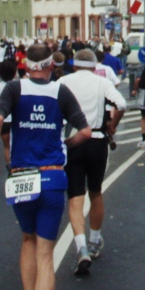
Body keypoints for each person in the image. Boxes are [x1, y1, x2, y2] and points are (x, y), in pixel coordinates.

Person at [0, 44, 91, 290]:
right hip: (52, 173)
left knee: (27, 240)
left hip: (21, 176)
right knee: (47, 253)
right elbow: (84, 132)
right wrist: (64, 145)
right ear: (50, 65)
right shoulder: (60, 91)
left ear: (26, 65)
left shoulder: (14, 89)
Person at [58, 49, 126, 274]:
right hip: (97, 140)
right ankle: (95, 239)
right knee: (95, 191)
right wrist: (113, 124)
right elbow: (122, 104)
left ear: (74, 65)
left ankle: (81, 247)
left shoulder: (63, 81)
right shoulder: (101, 82)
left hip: (73, 140)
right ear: (95, 66)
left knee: (75, 197)